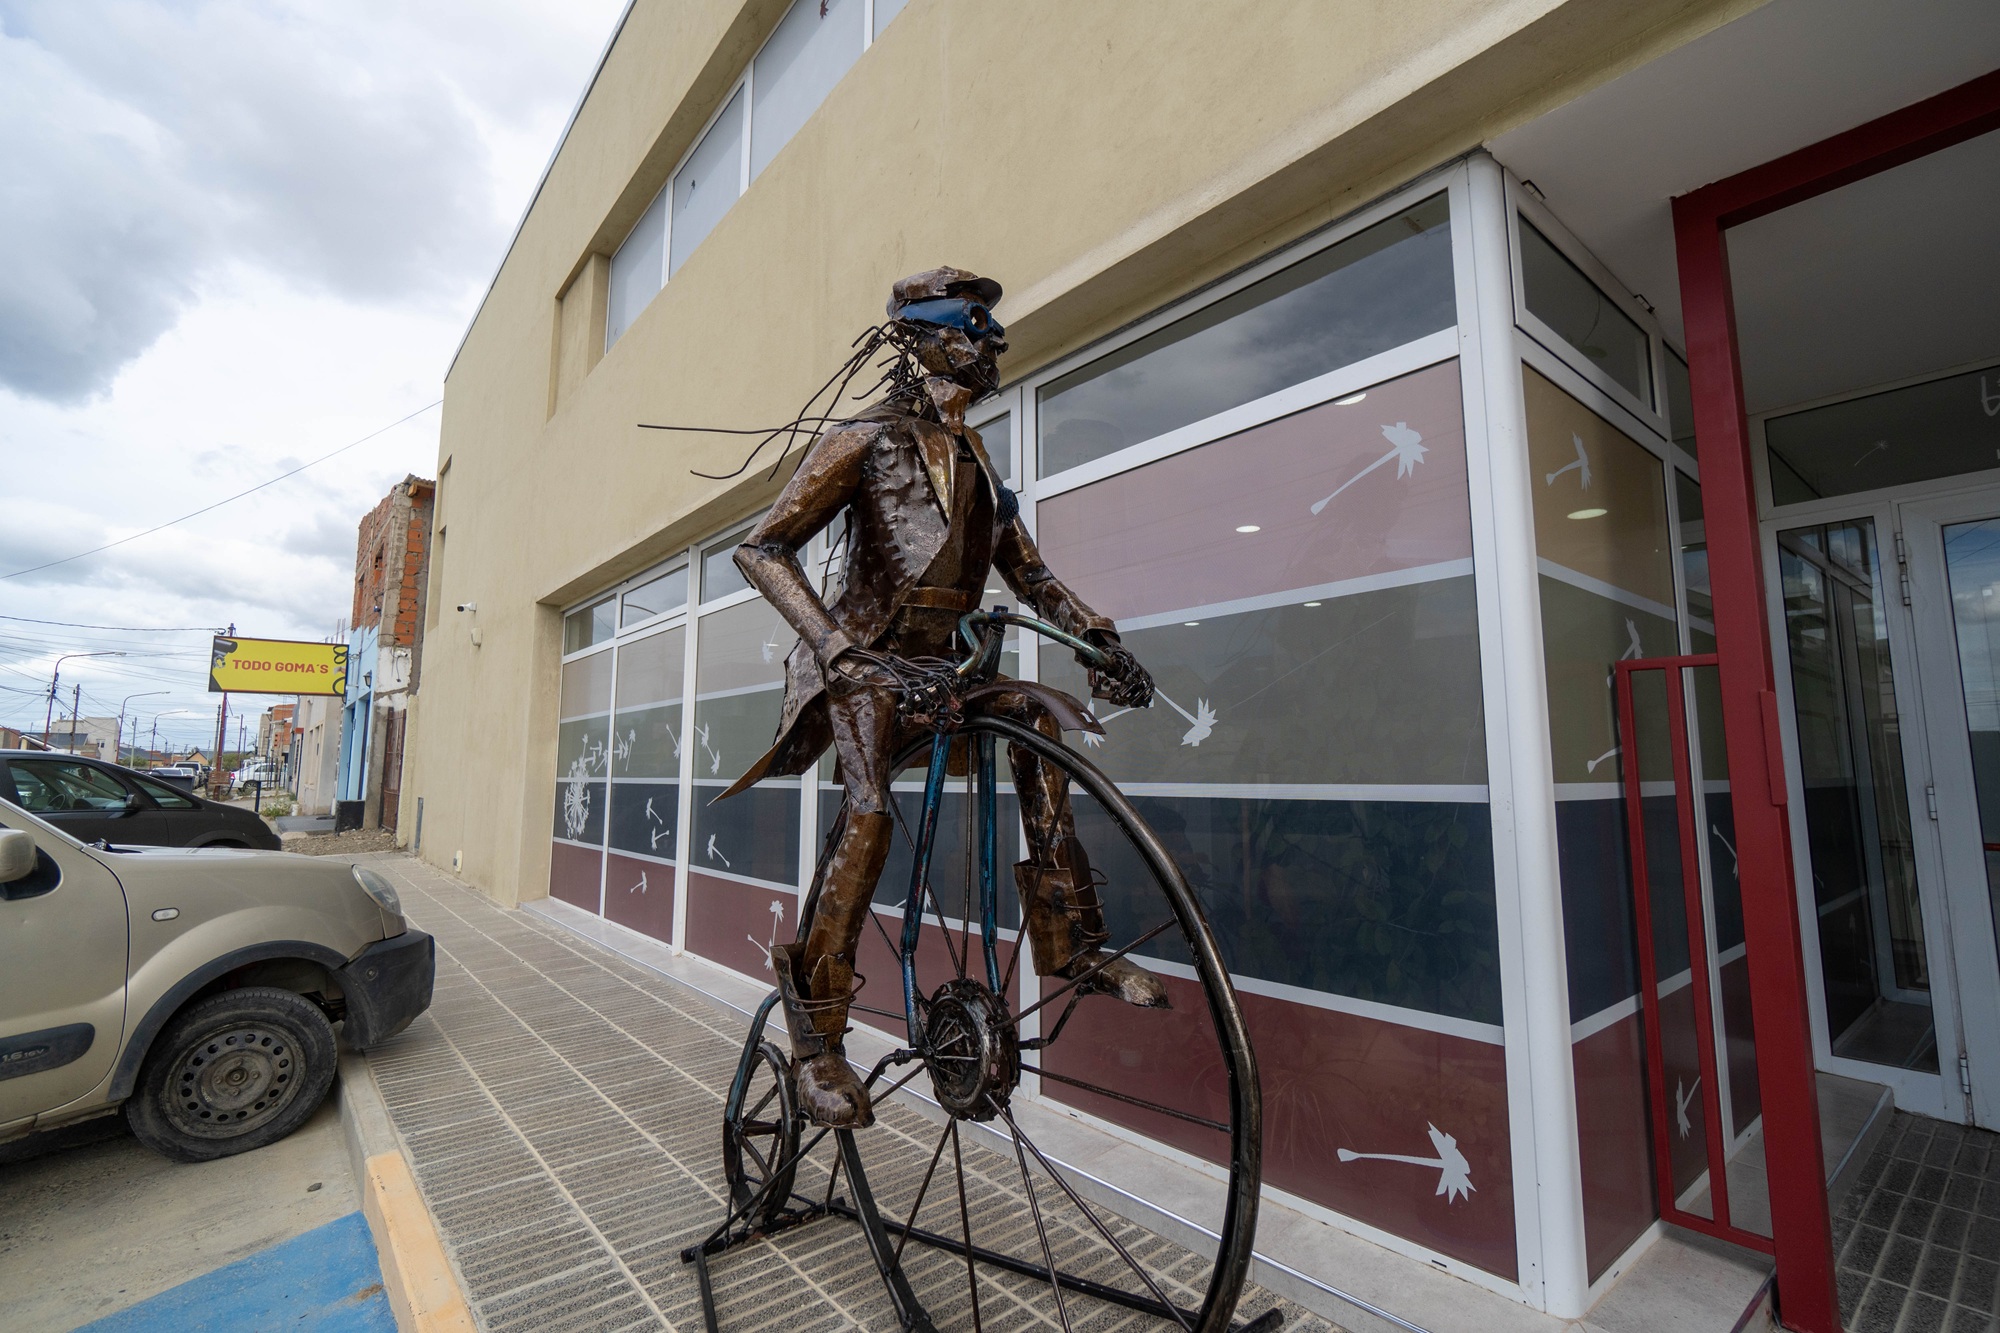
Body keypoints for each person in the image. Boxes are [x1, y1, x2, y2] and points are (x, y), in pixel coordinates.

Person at [720, 267, 1162, 1128]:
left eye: (991, 327)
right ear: (919, 339)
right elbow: (762, 547)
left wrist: (1100, 637)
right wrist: (836, 644)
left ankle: (1073, 947)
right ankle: (818, 1040)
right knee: (871, 811)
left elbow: (1028, 573)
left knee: (1037, 720)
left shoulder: (979, 466)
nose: (990, 341)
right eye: (970, 324)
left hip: (941, 676)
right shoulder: (865, 439)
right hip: (863, 668)